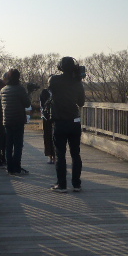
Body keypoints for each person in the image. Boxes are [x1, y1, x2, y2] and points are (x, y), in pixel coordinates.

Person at [48, 57, 85, 193]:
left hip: (60, 122)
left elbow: (49, 89)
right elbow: (81, 103)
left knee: (60, 154)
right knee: (76, 154)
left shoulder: (54, 80)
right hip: (74, 121)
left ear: (60, 67)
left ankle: (62, 185)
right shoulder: (78, 82)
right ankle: (76, 184)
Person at [0, 69, 31, 176]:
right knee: (18, 145)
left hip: (7, 120)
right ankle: (17, 167)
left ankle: (10, 168)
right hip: (18, 120)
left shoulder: (3, 90)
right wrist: (28, 94)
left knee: (8, 145)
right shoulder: (20, 89)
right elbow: (27, 104)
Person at [40, 88, 56, 164]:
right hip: (46, 117)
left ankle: (55, 156)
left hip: (56, 117)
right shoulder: (44, 92)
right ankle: (50, 155)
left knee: (56, 137)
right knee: (47, 136)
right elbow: (42, 104)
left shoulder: (58, 91)